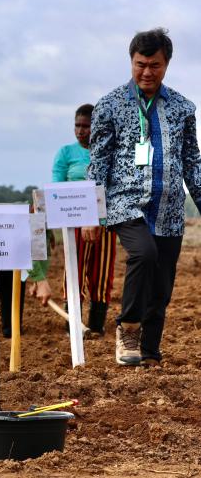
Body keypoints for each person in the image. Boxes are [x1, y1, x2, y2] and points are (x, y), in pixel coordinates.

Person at [85, 28, 200, 367]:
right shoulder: (109, 105)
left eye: (155, 65)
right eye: (140, 65)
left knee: (162, 285)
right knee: (144, 254)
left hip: (168, 208)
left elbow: (193, 161)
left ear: (166, 65)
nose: (147, 72)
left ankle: (148, 352)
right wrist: (93, 213)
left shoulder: (183, 107)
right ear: (131, 62)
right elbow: (99, 162)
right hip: (125, 203)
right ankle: (128, 327)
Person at [51, 104, 118, 335]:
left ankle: (96, 325)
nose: (81, 131)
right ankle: (73, 326)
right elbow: (56, 188)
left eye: (86, 126)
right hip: (75, 221)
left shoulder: (112, 150)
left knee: (101, 272)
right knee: (74, 271)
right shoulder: (65, 153)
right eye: (77, 126)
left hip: (105, 222)